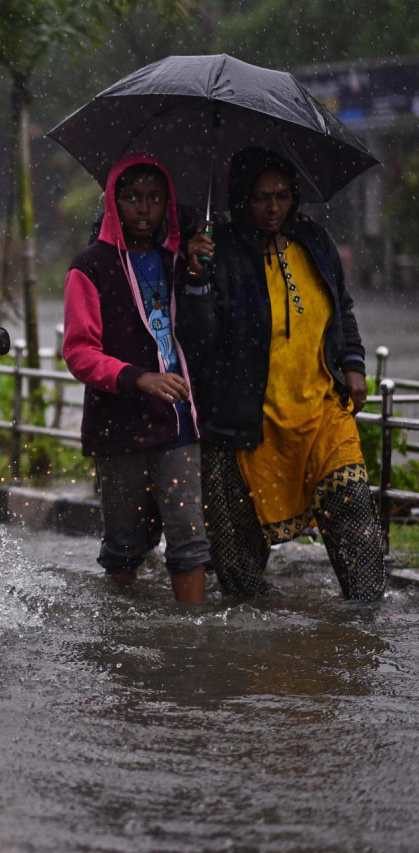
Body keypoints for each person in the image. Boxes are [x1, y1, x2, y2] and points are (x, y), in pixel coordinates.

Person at [187, 148, 386, 601]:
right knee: (240, 572)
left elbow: (342, 309)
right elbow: (200, 342)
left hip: (320, 412)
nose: (273, 207)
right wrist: (196, 276)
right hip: (246, 423)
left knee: (353, 513)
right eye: (260, 197)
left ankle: (365, 626)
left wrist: (353, 364)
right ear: (242, 199)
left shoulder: (314, 241)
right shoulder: (220, 252)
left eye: (281, 196)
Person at [62, 154, 213, 603]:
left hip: (178, 422)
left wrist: (200, 278)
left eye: (154, 199)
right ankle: (122, 636)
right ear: (113, 204)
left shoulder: (178, 262)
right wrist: (136, 378)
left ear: (168, 204)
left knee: (189, 540)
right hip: (119, 423)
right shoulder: (89, 267)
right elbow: (78, 352)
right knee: (124, 544)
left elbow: (204, 336)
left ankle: (194, 638)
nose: (144, 209)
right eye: (131, 198)